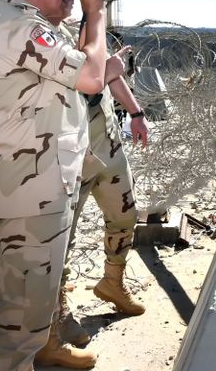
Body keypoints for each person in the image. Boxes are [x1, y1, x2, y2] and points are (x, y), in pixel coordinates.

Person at [0, 0, 126, 371]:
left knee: (38, 294)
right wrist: (95, 12)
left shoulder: (37, 24)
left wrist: (83, 12)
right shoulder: (20, 27)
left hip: (44, 182)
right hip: (27, 188)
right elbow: (91, 75)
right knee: (20, 310)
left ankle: (45, 346)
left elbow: (83, 58)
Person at [58, 30, 150, 346]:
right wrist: (107, 70)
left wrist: (136, 113)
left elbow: (112, 75)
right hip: (71, 152)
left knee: (125, 215)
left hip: (107, 141)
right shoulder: (46, 31)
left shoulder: (89, 30)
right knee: (61, 236)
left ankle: (113, 283)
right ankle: (57, 314)